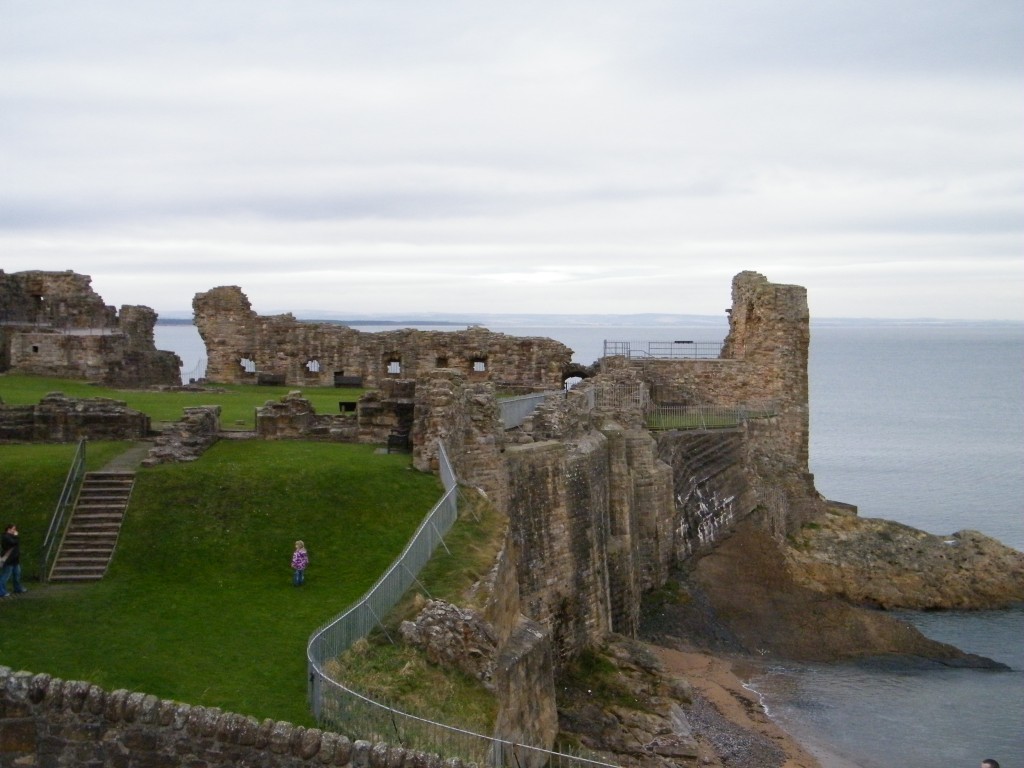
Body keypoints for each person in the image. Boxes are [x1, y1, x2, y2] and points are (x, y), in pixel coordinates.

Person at [0, 523, 27, 597]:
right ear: (9, 529)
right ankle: (1, 591)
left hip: (15, 559)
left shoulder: (11, 536)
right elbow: (13, 542)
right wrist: (16, 536)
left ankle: (17, 588)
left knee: (17, 574)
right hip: (9, 560)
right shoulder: (6, 537)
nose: (15, 531)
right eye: (13, 529)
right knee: (5, 576)